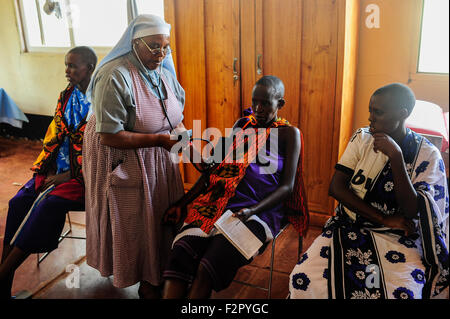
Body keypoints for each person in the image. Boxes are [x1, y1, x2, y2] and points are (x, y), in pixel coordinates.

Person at [289, 83, 449, 299]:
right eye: (370, 111)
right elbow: (336, 187)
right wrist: (383, 217)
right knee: (304, 280)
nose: (370, 118)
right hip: (351, 224)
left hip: (399, 235)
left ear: (403, 114)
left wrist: (396, 158)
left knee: (397, 291)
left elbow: (412, 211)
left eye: (378, 112)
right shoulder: (362, 138)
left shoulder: (427, 155)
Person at [161, 75, 309, 299]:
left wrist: (252, 211)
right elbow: (215, 171)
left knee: (207, 267)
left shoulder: (289, 134)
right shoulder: (242, 125)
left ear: (280, 104)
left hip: (260, 212)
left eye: (266, 103)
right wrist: (183, 202)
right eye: (254, 101)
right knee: (179, 256)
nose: (258, 108)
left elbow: (287, 187)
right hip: (219, 202)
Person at [82, 15, 187, 299]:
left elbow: (175, 114)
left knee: (161, 218)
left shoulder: (163, 71)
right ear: (134, 43)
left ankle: (159, 274)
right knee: (135, 224)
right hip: (123, 160)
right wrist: (158, 140)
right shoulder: (114, 75)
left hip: (160, 158)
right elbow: (109, 135)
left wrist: (185, 138)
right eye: (154, 47)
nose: (161, 54)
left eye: (165, 47)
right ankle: (146, 281)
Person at [0, 46, 97, 298]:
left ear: (90, 68)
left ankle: (1, 276)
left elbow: (99, 149)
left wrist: (68, 175)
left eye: (73, 65)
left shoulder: (100, 101)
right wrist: (51, 168)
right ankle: (4, 284)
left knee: (45, 205)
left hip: (86, 176)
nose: (67, 70)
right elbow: (55, 137)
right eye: (66, 64)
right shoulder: (66, 95)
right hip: (59, 168)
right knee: (19, 201)